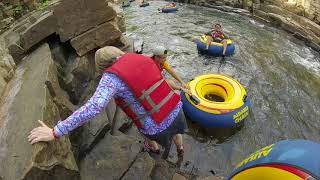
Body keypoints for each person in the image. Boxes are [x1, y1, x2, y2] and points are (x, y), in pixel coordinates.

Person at [28, 46, 188, 160]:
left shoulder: (111, 78)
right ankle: (180, 148)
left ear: (102, 67)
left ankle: (154, 148)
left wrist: (56, 131)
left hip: (157, 128)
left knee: (146, 129)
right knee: (174, 129)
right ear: (119, 53)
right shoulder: (143, 58)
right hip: (177, 110)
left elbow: (94, 107)